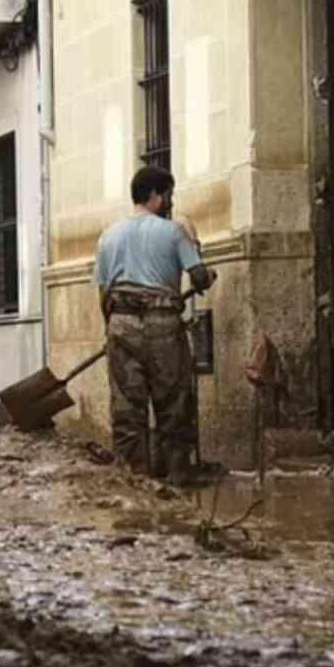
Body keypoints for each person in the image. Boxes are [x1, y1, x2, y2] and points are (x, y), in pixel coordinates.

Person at [94, 165, 217, 486]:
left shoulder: (108, 236)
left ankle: (134, 484)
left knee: (126, 407)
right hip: (163, 323)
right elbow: (199, 278)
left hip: (120, 323)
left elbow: (103, 292)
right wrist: (207, 272)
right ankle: (177, 481)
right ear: (155, 195)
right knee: (174, 404)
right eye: (168, 194)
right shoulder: (174, 231)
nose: (170, 202)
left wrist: (113, 330)